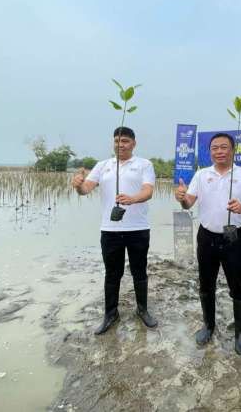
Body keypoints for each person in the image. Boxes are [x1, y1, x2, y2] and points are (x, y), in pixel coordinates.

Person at [174, 133, 241, 355]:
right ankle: (209, 325)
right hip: (207, 237)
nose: (219, 151)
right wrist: (182, 198)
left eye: (224, 147)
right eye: (215, 148)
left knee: (238, 286)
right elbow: (188, 204)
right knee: (206, 284)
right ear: (209, 151)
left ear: (233, 150)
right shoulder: (202, 174)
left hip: (235, 238)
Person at [71, 126, 158, 335]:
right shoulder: (103, 166)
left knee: (139, 271)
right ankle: (111, 314)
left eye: (125, 141)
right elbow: (86, 190)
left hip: (138, 228)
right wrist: (78, 185)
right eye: (117, 141)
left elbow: (148, 191)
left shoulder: (144, 164)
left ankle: (142, 310)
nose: (121, 145)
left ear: (134, 143)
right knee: (112, 274)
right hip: (110, 230)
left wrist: (132, 199)